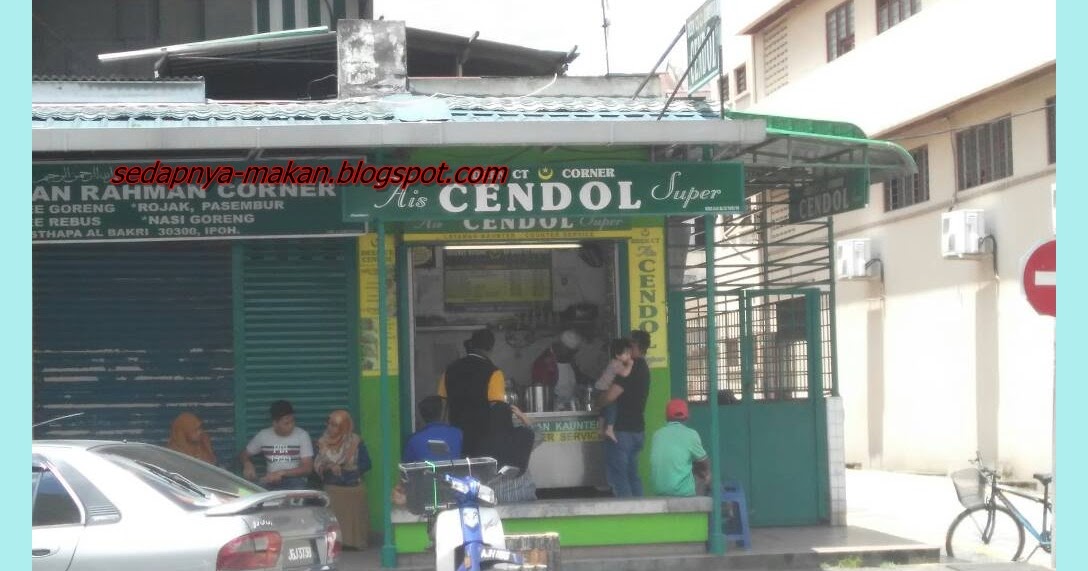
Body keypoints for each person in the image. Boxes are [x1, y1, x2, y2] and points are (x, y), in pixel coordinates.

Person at [598, 330, 652, 497]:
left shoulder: (631, 367)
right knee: (632, 475)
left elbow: (611, 395)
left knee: (619, 478)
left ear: (635, 346)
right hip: (637, 430)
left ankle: (628, 517)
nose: (626, 348)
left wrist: (598, 402)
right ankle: (641, 518)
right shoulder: (644, 367)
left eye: (629, 344)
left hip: (621, 432)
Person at [438, 328, 506, 457]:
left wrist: (443, 434)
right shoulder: (494, 372)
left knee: (459, 473)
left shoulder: (449, 370)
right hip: (483, 440)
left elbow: (442, 405)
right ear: (491, 348)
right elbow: (498, 409)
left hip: (456, 437)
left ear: (472, 344)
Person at [314, 409, 372, 550]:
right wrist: (329, 466)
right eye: (329, 424)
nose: (330, 428)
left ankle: (355, 542)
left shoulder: (356, 442)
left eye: (335, 425)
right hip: (333, 484)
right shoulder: (322, 442)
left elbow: (367, 463)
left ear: (344, 427)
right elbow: (316, 464)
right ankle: (336, 543)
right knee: (333, 494)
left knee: (356, 493)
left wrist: (351, 470)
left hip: (352, 482)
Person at [240, 400, 314, 490]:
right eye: (286, 423)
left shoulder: (302, 435)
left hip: (295, 481)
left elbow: (307, 468)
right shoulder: (263, 435)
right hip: (270, 481)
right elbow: (244, 454)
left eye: (293, 421)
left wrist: (281, 473)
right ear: (275, 423)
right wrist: (247, 464)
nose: (291, 425)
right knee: (252, 493)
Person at [478, 402, 542, 503]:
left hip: (497, 498)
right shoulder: (524, 435)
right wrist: (522, 416)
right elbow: (539, 436)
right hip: (524, 495)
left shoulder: (483, 442)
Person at [650, 399, 710, 497]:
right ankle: (698, 510)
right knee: (702, 475)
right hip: (681, 492)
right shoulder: (691, 434)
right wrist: (708, 473)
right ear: (687, 416)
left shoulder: (657, 434)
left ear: (667, 416)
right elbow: (704, 461)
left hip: (658, 490)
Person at [531, 329, 593, 411]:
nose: (571, 355)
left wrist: (592, 384)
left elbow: (579, 378)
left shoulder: (570, 361)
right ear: (559, 346)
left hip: (572, 407)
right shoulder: (543, 363)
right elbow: (541, 391)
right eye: (569, 351)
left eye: (573, 352)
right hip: (553, 410)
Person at [594, 338, 634, 443]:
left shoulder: (613, 363)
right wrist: (630, 365)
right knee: (612, 407)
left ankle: (600, 428)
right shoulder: (616, 364)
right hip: (603, 389)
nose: (629, 356)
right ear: (617, 355)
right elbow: (625, 374)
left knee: (603, 410)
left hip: (598, 388)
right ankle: (609, 429)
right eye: (626, 354)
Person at [403, 395, 463, 462]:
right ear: (441, 411)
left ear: (422, 415)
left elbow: (406, 468)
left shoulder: (413, 440)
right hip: (454, 472)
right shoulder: (457, 434)